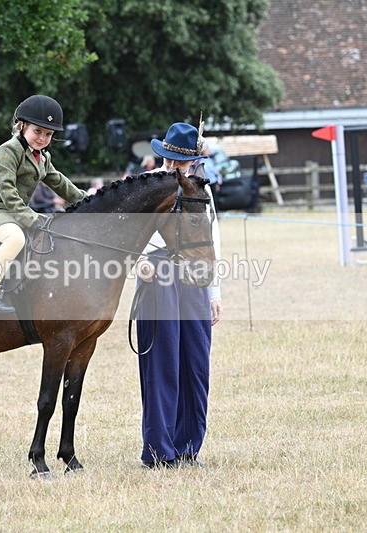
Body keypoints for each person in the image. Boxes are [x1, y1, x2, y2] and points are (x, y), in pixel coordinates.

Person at [134, 121, 222, 469]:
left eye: (181, 163)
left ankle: (189, 448)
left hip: (195, 279)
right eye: (169, 160)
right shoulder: (147, 185)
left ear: (192, 162)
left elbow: (212, 241)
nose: (174, 167)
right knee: (162, 365)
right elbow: (129, 239)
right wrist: (140, 263)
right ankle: (159, 452)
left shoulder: (202, 190)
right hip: (157, 279)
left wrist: (214, 291)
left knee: (195, 365)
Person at [0, 94, 87, 317]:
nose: (43, 138)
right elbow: (7, 192)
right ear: (21, 126)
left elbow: (61, 183)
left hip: (11, 213)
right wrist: (31, 218)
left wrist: (89, 200)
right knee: (15, 238)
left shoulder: (42, 157)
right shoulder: (8, 150)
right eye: (38, 131)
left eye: (49, 134)